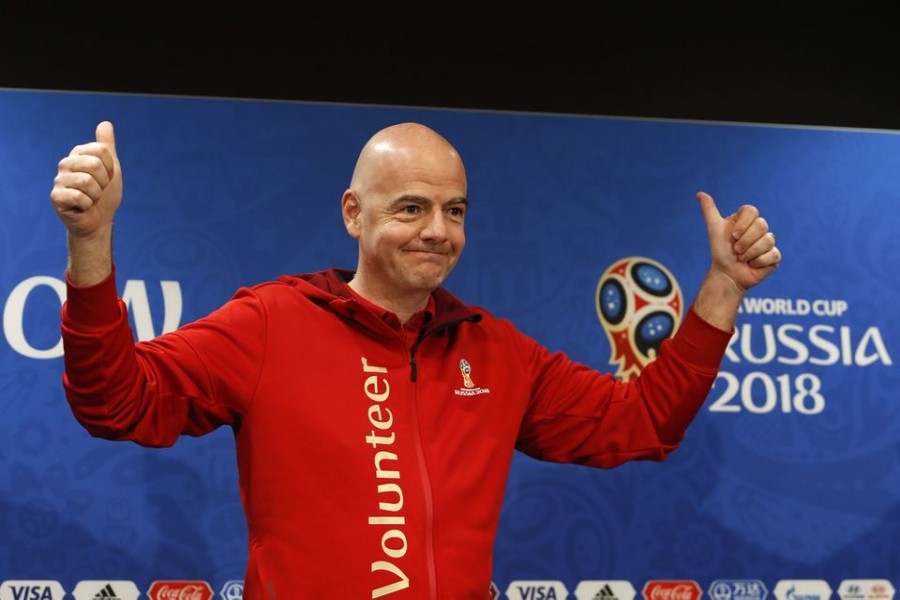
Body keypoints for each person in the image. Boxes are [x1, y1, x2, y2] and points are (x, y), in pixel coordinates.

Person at [50, 120, 781, 599]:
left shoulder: (497, 351)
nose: (437, 231)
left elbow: (641, 423)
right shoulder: (271, 322)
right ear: (352, 214)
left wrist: (722, 288)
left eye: (454, 210)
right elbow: (117, 401)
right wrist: (91, 243)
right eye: (410, 208)